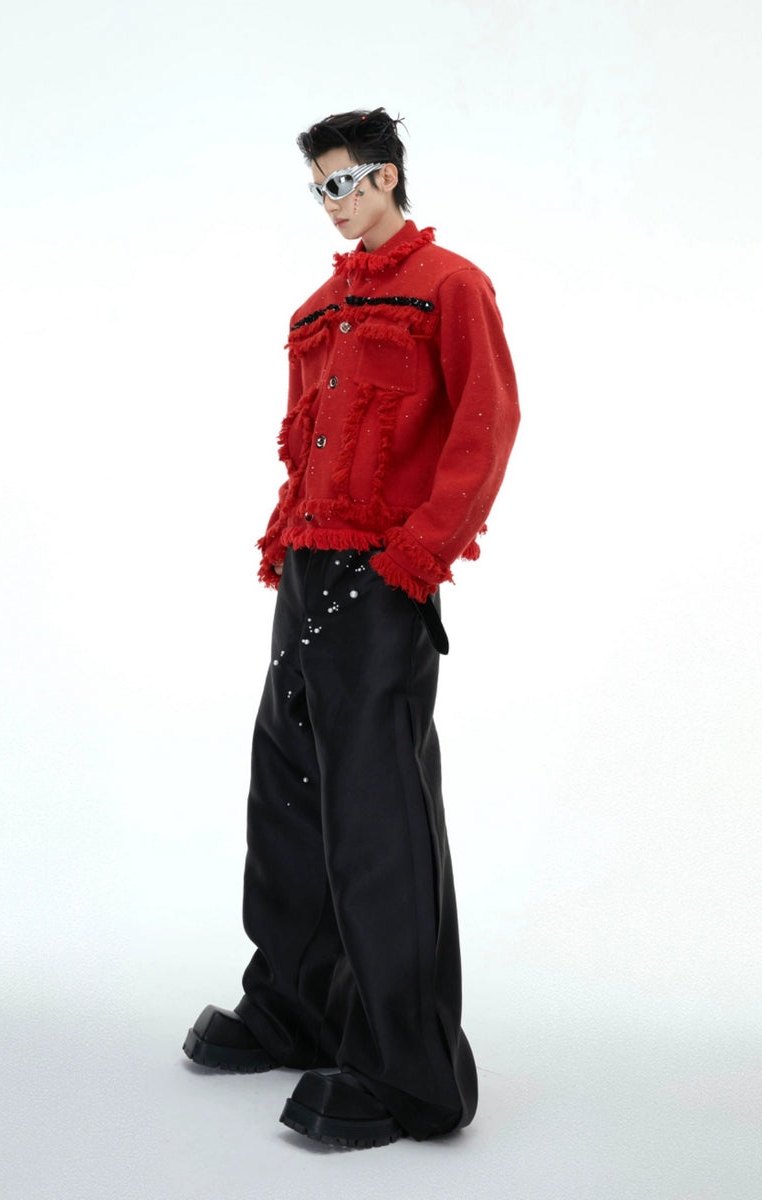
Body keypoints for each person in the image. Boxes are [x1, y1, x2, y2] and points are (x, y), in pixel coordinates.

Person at [183, 107, 519, 1149]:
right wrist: (285, 544)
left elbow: (486, 427)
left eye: (344, 181)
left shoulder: (450, 286)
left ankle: (410, 1072)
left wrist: (413, 559)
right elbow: (306, 448)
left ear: (387, 177)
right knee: (286, 792)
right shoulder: (317, 309)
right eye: (318, 186)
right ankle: (294, 1005)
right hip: (305, 567)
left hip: (384, 574)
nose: (332, 202)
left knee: (378, 817)